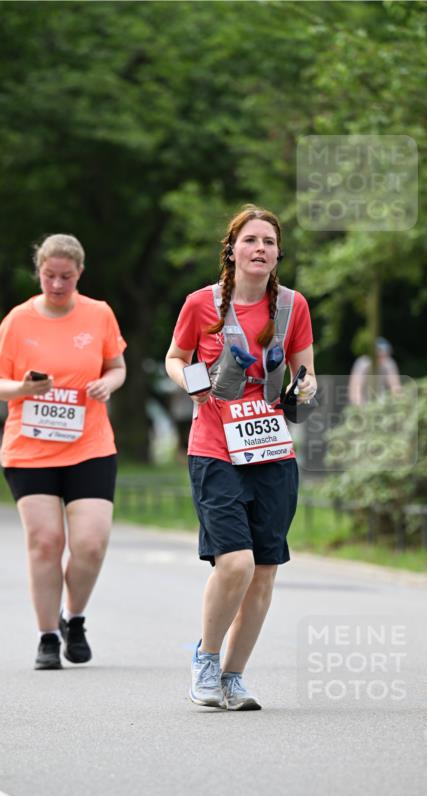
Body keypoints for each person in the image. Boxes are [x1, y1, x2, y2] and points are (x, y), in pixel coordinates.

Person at [165, 205, 316, 711]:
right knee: (236, 563)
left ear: (278, 253)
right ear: (232, 250)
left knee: (265, 570)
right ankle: (206, 660)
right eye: (250, 240)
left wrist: (305, 387)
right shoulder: (201, 304)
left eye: (269, 242)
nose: (260, 249)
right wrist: (194, 384)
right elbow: (174, 356)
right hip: (215, 447)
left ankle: (233, 677)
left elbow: (305, 373)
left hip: (271, 449)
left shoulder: (293, 306)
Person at [0, 233, 127, 670]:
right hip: (31, 449)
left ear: (79, 273)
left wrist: (109, 383)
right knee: (46, 542)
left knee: (91, 543)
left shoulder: (99, 314)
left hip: (90, 445)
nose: (58, 284)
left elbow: (116, 366)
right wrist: (24, 388)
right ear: (39, 272)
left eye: (66, 276)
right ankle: (47, 636)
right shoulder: (18, 320)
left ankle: (74, 617)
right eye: (49, 276)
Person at [347, 338, 401, 406]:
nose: (383, 358)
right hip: (363, 403)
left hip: (381, 404)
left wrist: (398, 403)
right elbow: (355, 389)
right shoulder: (362, 364)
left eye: (386, 355)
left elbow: (395, 387)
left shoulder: (389, 364)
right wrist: (359, 407)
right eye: (380, 355)